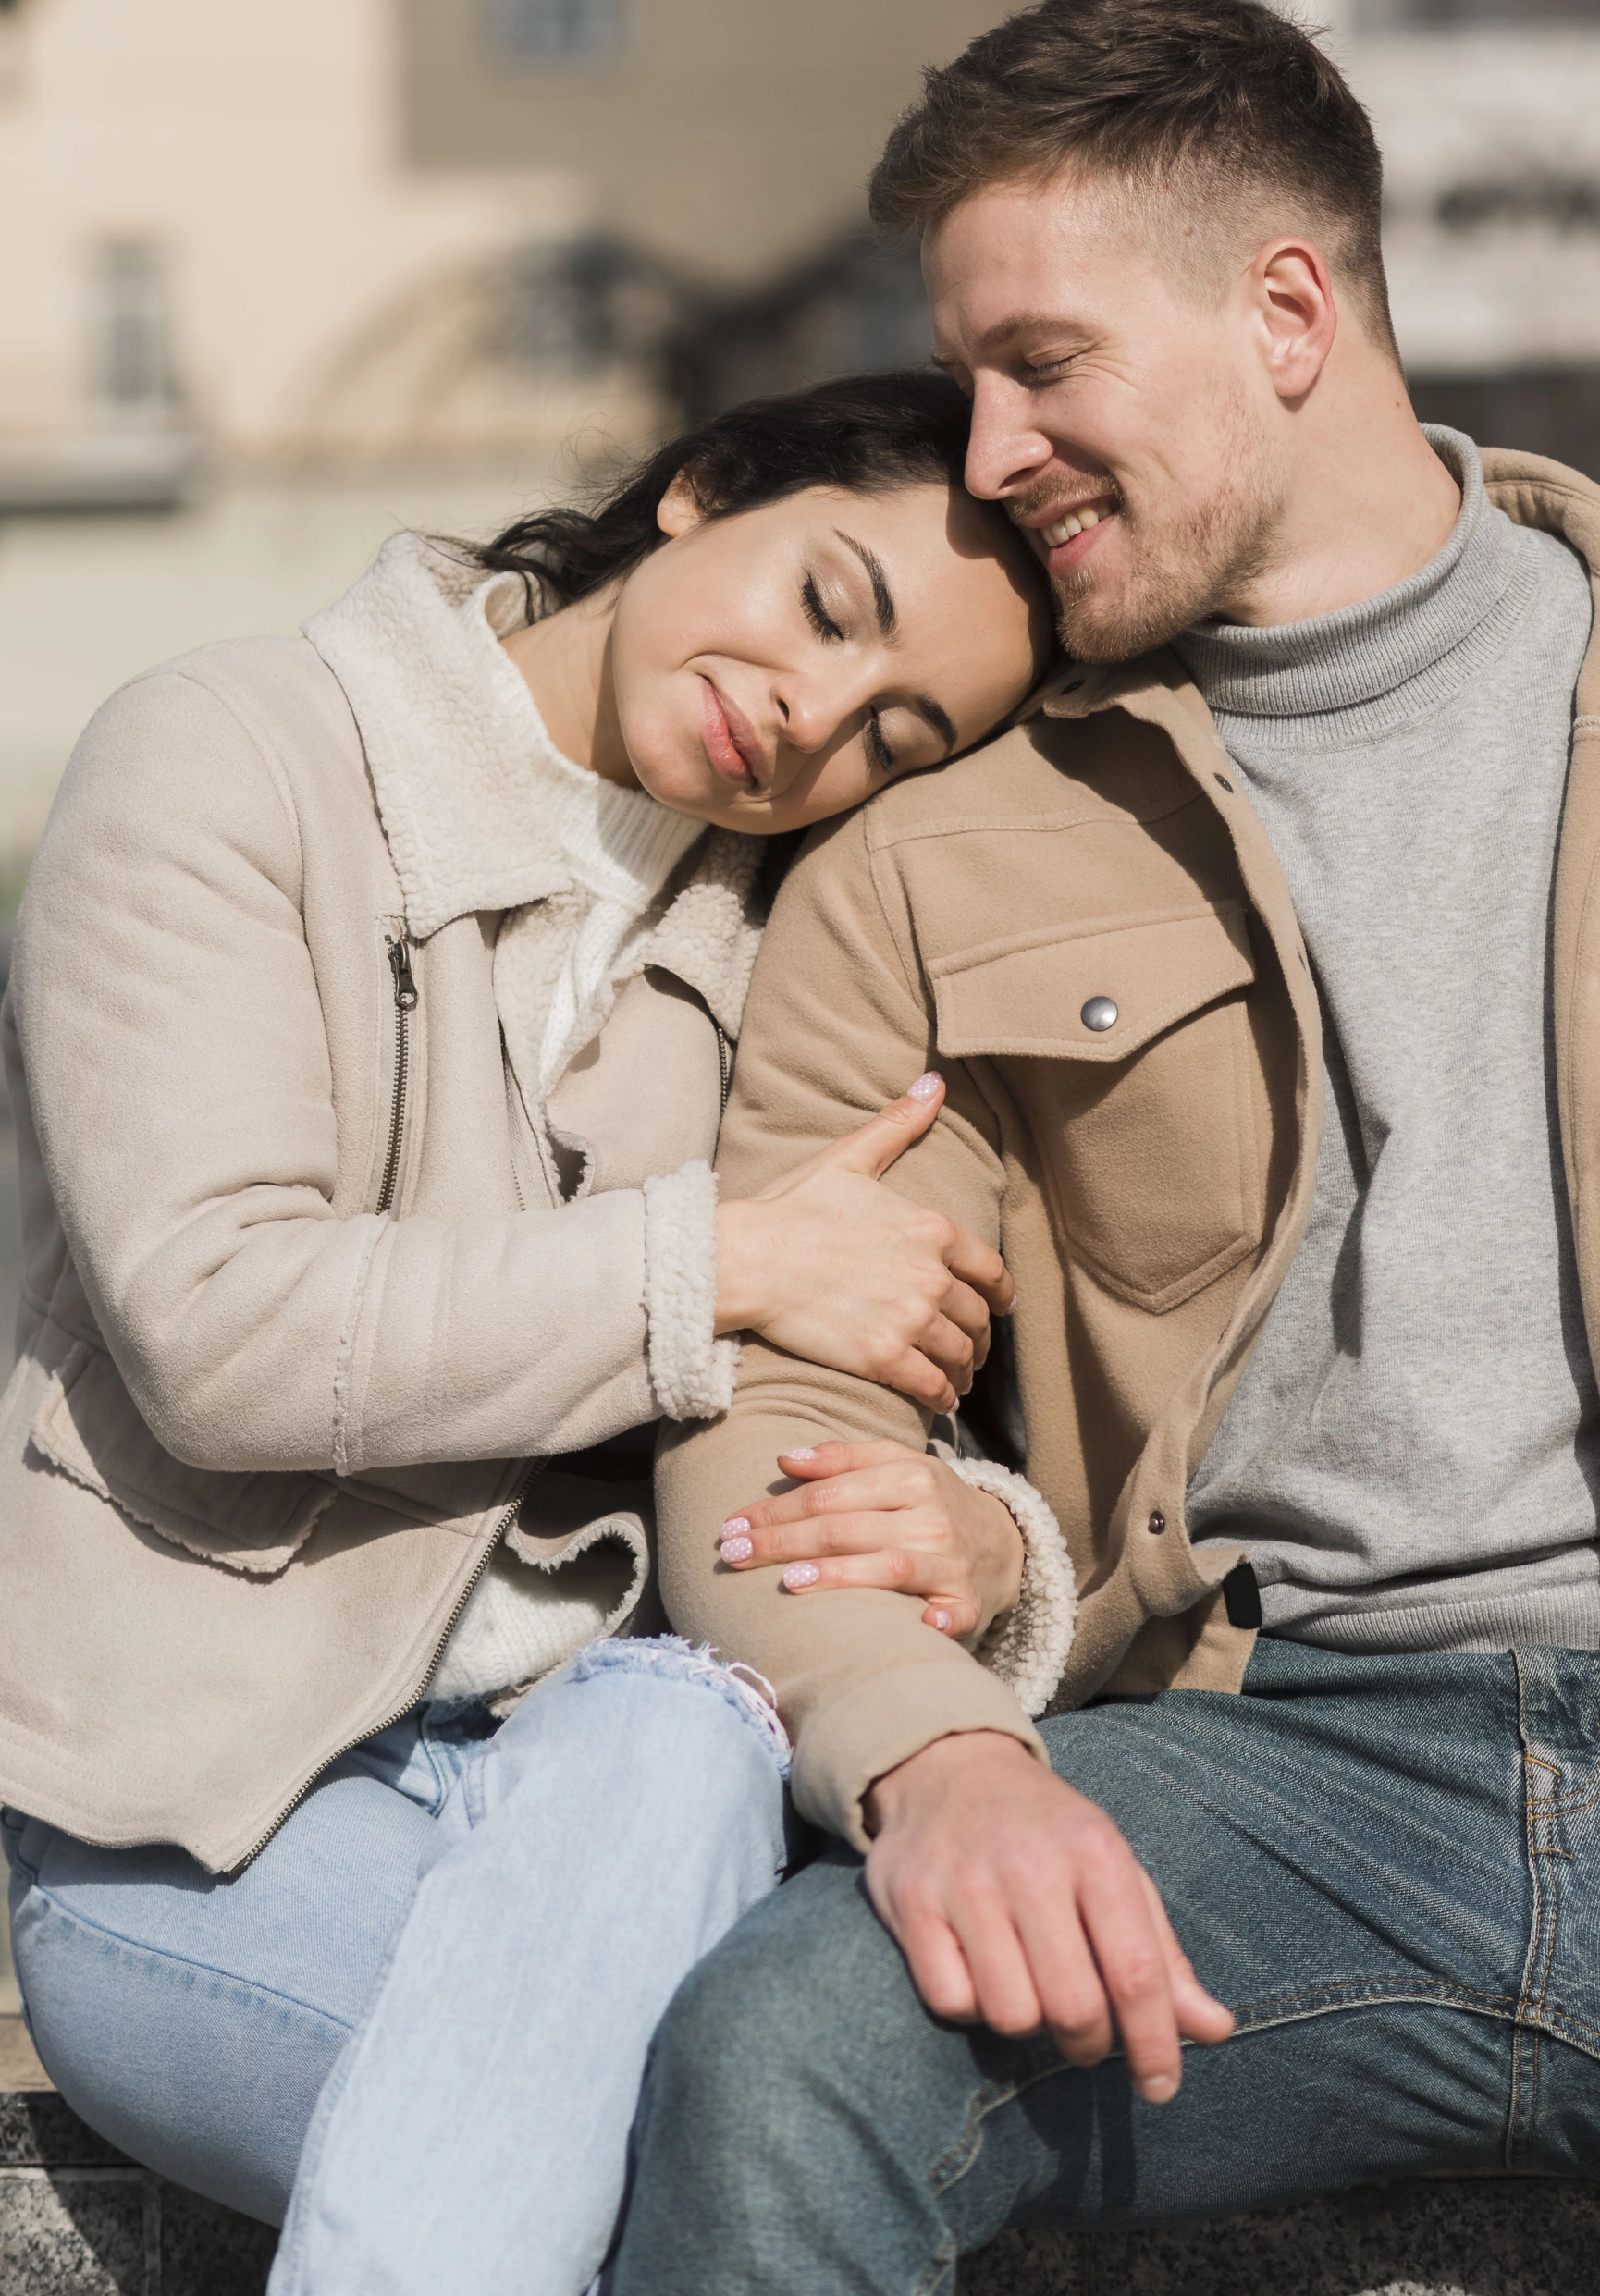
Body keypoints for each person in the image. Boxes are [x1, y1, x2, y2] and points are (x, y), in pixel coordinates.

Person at [610, 0, 1600, 2295]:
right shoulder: (923, 852)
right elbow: (775, 1383)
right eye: (972, 375)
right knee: (774, 2049)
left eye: (1043, 366)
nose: (984, 454)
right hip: (1243, 1778)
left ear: (1287, 308)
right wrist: (934, 1760)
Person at [0, 371, 1077, 2296]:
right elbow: (220, 1324)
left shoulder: (806, 947)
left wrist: (992, 1541)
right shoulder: (228, 752)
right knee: (718, 2150)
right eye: (830, 603)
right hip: (201, 1824)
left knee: (675, 1721)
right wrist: (714, 1263)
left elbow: (898, 1378)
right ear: (702, 486)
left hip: (623, 1809)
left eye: (891, 731)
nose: (809, 715)